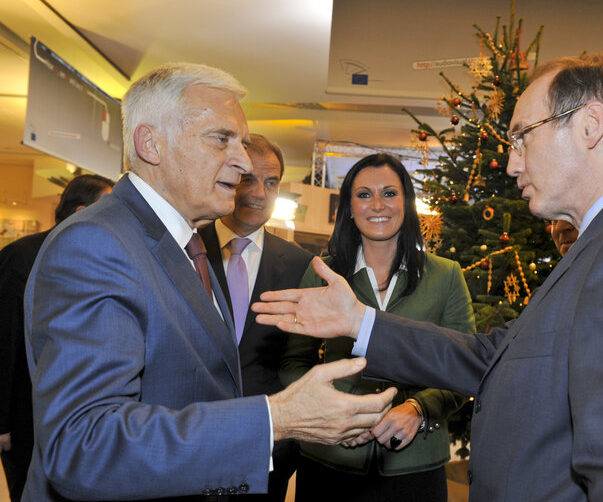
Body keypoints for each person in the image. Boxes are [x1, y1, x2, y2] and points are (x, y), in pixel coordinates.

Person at [254, 53, 603, 501]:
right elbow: (494, 357)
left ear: (591, 125)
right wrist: (361, 322)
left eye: (524, 135)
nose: (512, 163)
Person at [22, 62, 396, 502]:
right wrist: (277, 417)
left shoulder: (188, 244)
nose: (241, 161)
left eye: (240, 141)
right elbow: (84, 445)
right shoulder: (97, 244)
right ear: (150, 143)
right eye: (222, 139)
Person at [280, 153, 475, 502]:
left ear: (406, 202)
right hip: (331, 458)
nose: (377, 205)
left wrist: (419, 409)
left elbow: (463, 369)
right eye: (364, 194)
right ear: (349, 207)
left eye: (389, 193)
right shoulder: (323, 274)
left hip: (415, 464)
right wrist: (327, 408)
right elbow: (293, 363)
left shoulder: (446, 276)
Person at [199, 133, 313, 501]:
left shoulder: (300, 266)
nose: (259, 193)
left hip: (266, 447)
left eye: (271, 182)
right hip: (188, 437)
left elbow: (301, 358)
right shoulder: (185, 247)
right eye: (248, 178)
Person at [0, 174, 113, 502]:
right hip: (24, 416)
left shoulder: (101, 257)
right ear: (80, 210)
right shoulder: (21, 255)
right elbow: (5, 341)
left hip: (72, 419)